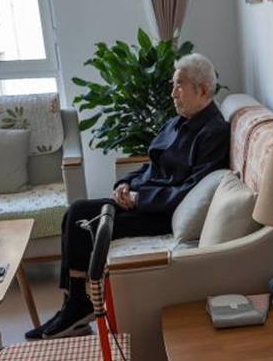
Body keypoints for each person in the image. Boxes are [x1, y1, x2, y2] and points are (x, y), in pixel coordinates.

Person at [26, 52, 230, 340]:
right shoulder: (178, 122)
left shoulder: (214, 131)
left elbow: (191, 191)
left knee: (85, 222)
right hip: (142, 200)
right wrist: (125, 183)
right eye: (173, 84)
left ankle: (77, 308)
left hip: (160, 214)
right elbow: (151, 165)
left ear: (203, 90)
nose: (172, 93)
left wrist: (138, 199)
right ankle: (73, 303)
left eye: (179, 84)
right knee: (76, 211)